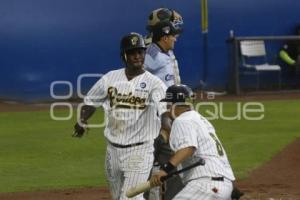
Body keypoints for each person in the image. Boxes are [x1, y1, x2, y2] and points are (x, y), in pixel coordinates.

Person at [72, 32, 169, 200]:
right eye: (132, 53)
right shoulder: (110, 78)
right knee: (117, 197)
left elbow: (164, 111)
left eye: (140, 52)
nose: (137, 56)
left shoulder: (155, 84)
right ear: (124, 55)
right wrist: (82, 120)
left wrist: (167, 129)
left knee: (130, 197)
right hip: (113, 151)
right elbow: (90, 101)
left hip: (140, 150)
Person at [150, 84, 236, 200]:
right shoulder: (201, 120)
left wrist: (165, 170)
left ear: (174, 105)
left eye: (168, 105)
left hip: (205, 184)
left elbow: (188, 148)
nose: (168, 109)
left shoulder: (182, 120)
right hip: (222, 184)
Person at [143, 8, 185, 200]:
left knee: (169, 160)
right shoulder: (151, 54)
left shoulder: (159, 50)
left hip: (166, 111)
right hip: (156, 115)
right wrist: (167, 117)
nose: (176, 37)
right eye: (172, 32)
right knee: (151, 160)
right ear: (163, 34)